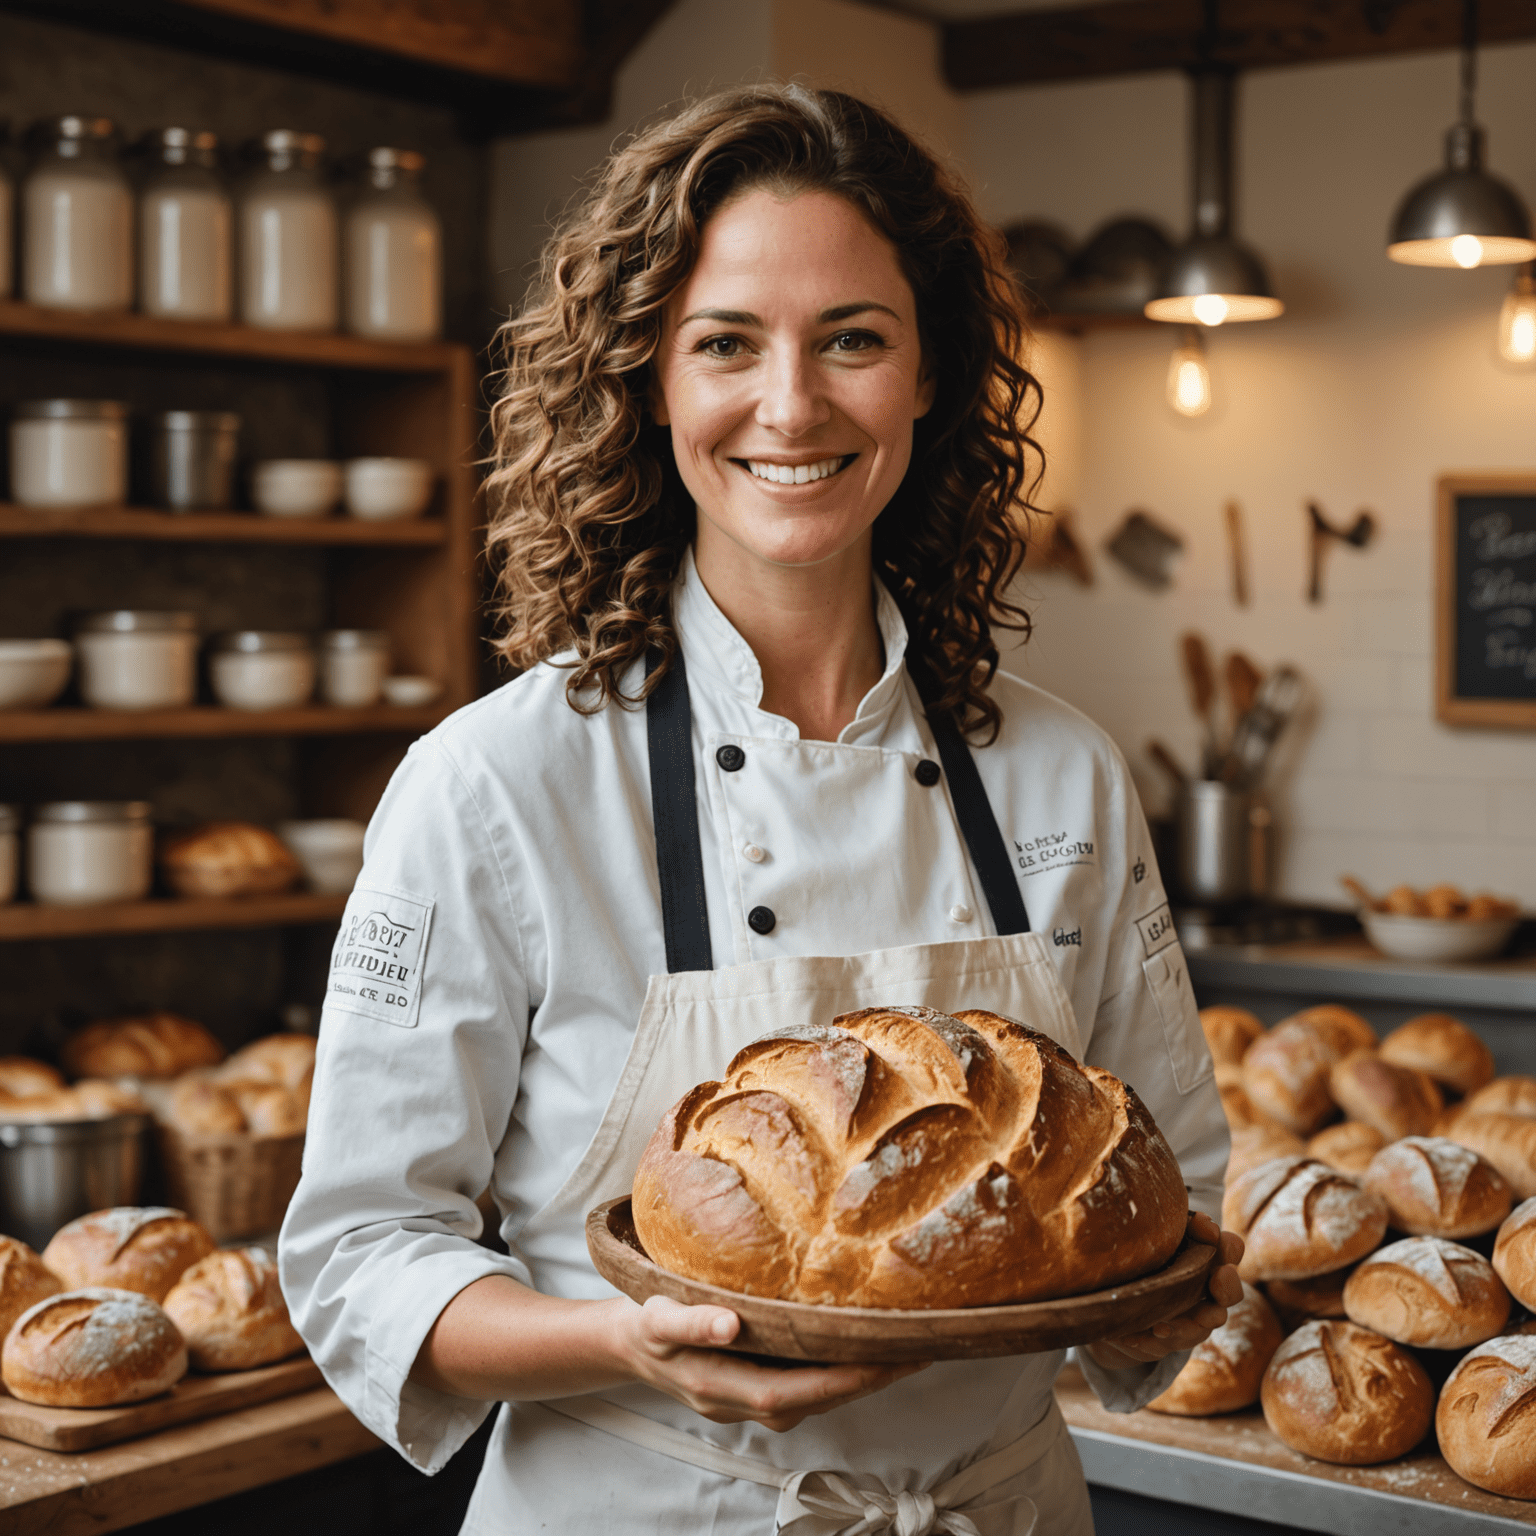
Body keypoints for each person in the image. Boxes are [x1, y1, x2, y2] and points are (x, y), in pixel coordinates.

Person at [280, 83, 1242, 1535]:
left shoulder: (1062, 777)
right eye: (726, 344)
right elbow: (361, 1253)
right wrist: (626, 1340)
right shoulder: (495, 785)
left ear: (929, 375)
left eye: (853, 339)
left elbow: (1164, 1210)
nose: (791, 407)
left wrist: (1194, 1285)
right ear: (648, 381)